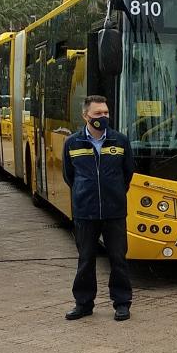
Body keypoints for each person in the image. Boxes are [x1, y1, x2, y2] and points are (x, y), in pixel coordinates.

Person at [62, 95, 136, 321]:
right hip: (85, 212)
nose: (103, 117)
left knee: (118, 259)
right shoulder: (72, 143)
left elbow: (127, 174)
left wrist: (112, 193)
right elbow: (69, 176)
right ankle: (84, 304)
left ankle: (122, 303)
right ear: (86, 116)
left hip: (114, 212)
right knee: (86, 259)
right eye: (97, 114)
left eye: (105, 113)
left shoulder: (120, 141)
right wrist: (85, 194)